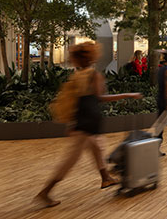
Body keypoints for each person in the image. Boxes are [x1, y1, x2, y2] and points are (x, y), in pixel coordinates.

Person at [36, 42, 142, 208]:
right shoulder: (94, 75)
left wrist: (72, 122)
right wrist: (128, 95)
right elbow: (101, 97)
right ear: (92, 57)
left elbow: (74, 102)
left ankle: (105, 178)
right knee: (70, 160)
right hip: (89, 122)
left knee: (97, 147)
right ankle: (45, 192)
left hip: (83, 121)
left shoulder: (77, 76)